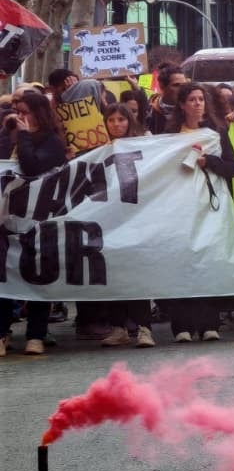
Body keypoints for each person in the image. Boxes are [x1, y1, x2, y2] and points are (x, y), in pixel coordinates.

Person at [163, 83, 234, 342]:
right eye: (192, 100)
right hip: (180, 206)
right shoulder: (170, 133)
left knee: (208, 262)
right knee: (183, 263)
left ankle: (210, 324)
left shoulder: (217, 132)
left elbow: (233, 168)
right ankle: (182, 326)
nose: (198, 104)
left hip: (210, 204)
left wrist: (210, 163)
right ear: (182, 105)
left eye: (201, 99)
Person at [5, 90, 68, 357]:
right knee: (6, 275)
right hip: (10, 218)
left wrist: (24, 137)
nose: (20, 117)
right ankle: (2, 332)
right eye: (17, 112)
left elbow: (31, 168)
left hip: (40, 219)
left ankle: (36, 334)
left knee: (37, 274)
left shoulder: (51, 142)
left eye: (25, 112)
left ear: (38, 113)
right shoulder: (12, 137)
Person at [95, 106, 158, 348]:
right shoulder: (98, 149)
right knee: (114, 275)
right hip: (108, 220)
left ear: (129, 121)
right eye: (110, 120)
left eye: (121, 119)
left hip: (136, 218)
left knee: (136, 274)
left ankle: (144, 328)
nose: (116, 124)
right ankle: (118, 327)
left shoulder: (145, 144)